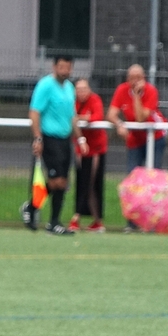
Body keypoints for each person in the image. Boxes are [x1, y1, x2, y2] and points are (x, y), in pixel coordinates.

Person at [22, 56, 88, 235]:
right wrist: (38, 138)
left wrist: (81, 139)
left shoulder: (69, 88)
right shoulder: (45, 86)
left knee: (63, 182)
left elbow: (72, 116)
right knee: (56, 181)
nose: (64, 71)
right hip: (50, 139)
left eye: (68, 68)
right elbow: (34, 113)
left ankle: (50, 220)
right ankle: (37, 210)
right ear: (54, 67)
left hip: (65, 140)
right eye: (61, 67)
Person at [107, 64, 166, 232]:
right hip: (134, 139)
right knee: (133, 179)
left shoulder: (151, 91)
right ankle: (132, 223)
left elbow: (141, 118)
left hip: (154, 138)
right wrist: (119, 124)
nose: (135, 82)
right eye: (132, 78)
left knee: (152, 180)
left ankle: (152, 223)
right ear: (127, 79)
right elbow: (111, 114)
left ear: (144, 78)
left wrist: (137, 96)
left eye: (138, 78)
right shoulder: (121, 90)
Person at [70, 78, 107, 232]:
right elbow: (70, 118)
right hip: (81, 148)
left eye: (84, 89)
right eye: (78, 89)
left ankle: (80, 218)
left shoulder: (95, 100)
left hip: (95, 148)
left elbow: (97, 117)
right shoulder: (73, 102)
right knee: (81, 180)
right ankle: (93, 220)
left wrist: (82, 117)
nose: (81, 92)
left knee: (90, 181)